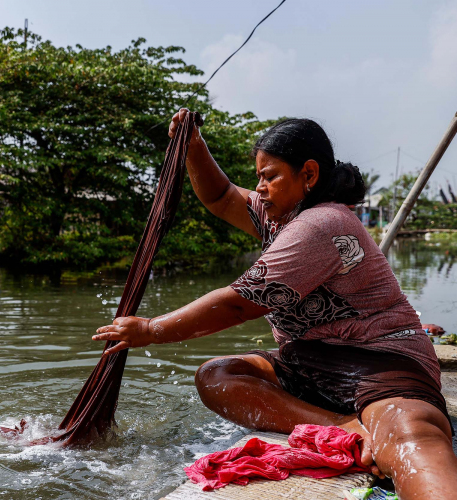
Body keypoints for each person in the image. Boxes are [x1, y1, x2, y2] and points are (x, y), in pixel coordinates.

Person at [93, 110, 457, 499]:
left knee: (408, 436)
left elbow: (239, 304)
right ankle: (339, 424)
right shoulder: (278, 215)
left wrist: (151, 330)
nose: (260, 187)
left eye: (271, 176)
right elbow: (220, 196)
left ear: (310, 176)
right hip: (308, 361)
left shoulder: (322, 223)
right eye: (258, 177)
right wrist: (194, 146)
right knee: (217, 377)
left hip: (379, 362)